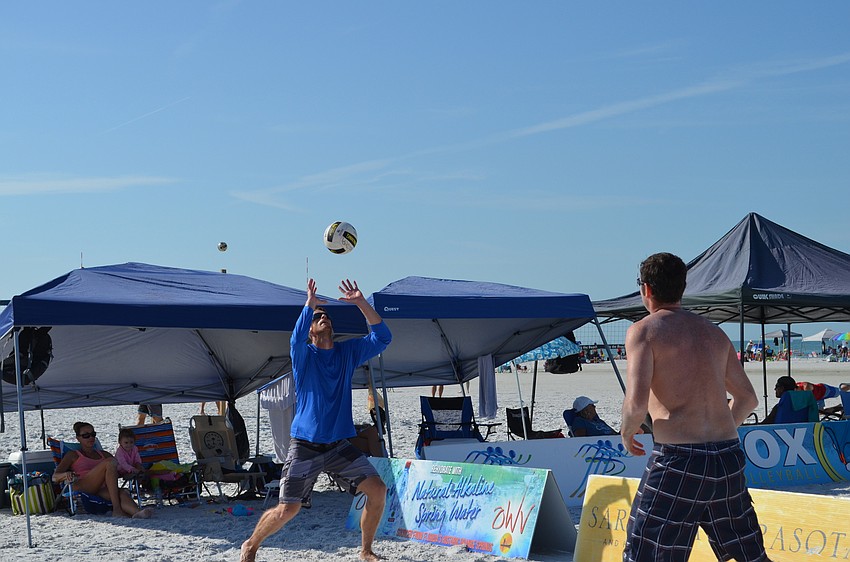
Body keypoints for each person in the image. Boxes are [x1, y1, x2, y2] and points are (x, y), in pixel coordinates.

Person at [621, 252, 769, 562]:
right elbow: (747, 399)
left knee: (645, 551)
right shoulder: (713, 332)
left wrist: (627, 432)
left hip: (678, 459)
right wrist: (719, 429)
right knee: (746, 553)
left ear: (646, 289)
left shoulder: (644, 331)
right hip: (726, 456)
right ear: (682, 287)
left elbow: (636, 403)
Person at [241, 278, 392, 562]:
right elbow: (294, 339)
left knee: (378, 490)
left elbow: (382, 338)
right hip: (305, 445)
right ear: (310, 328)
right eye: (318, 317)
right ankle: (251, 545)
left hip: (337, 446)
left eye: (327, 316)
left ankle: (366, 551)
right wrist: (309, 305)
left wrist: (361, 303)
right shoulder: (304, 355)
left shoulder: (347, 352)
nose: (324, 319)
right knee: (288, 509)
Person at [52, 422, 154, 519]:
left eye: (93, 434)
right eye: (86, 435)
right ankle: (117, 509)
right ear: (78, 438)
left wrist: (136, 468)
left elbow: (116, 472)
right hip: (83, 486)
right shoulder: (73, 455)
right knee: (110, 462)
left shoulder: (103, 454)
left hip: (101, 489)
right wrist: (65, 474)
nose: (91, 437)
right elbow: (55, 477)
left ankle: (137, 512)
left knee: (122, 493)